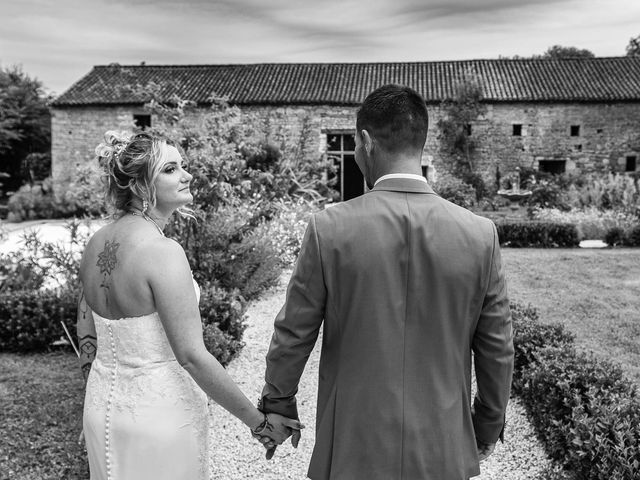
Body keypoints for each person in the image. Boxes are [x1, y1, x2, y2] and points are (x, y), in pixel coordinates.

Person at [259, 84, 514, 480]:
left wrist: (278, 402)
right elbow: (497, 348)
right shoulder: (480, 234)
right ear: (422, 143)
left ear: (365, 141)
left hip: (352, 444)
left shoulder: (329, 228)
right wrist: (485, 425)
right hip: (443, 444)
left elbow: (294, 332)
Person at [77, 130, 301, 480]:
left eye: (183, 166)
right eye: (170, 169)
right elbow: (192, 357)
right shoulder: (163, 252)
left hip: (100, 410)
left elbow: (87, 336)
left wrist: (94, 400)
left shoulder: (94, 245)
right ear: (139, 185)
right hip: (159, 417)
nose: (188, 175)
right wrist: (258, 424)